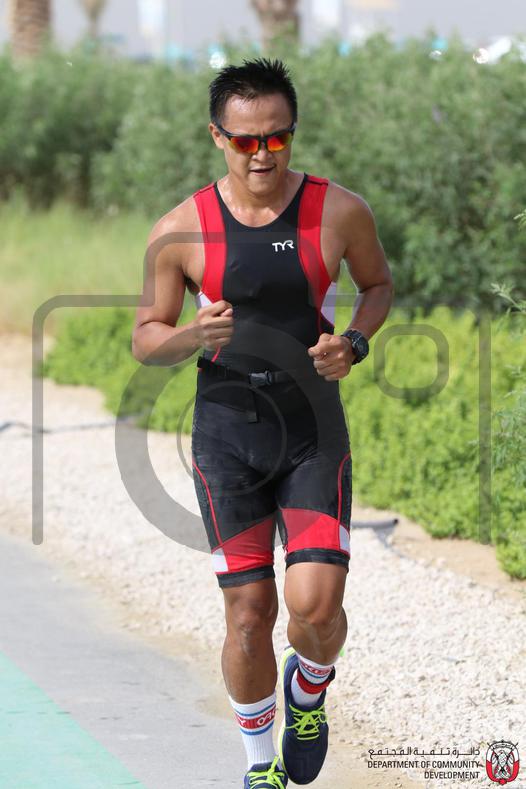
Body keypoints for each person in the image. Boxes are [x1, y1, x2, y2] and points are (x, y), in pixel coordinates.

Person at [132, 58, 394, 788]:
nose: (262, 155)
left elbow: (377, 285)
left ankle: (307, 690)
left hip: (310, 426)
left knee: (316, 606)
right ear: (218, 136)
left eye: (277, 138)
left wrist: (355, 342)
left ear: (292, 133)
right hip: (227, 433)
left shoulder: (339, 212)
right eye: (246, 140)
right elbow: (146, 337)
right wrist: (192, 335)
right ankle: (259, 767)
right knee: (249, 615)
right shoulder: (181, 228)